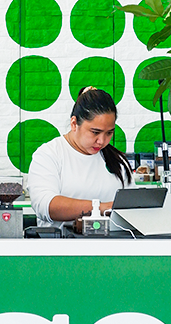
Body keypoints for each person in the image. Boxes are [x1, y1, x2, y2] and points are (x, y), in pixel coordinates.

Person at [26, 87, 132, 226]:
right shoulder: (49, 154)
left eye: (109, 133)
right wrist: (102, 208)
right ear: (74, 124)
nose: (101, 141)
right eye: (95, 132)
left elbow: (133, 204)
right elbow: (46, 206)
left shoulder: (117, 160)